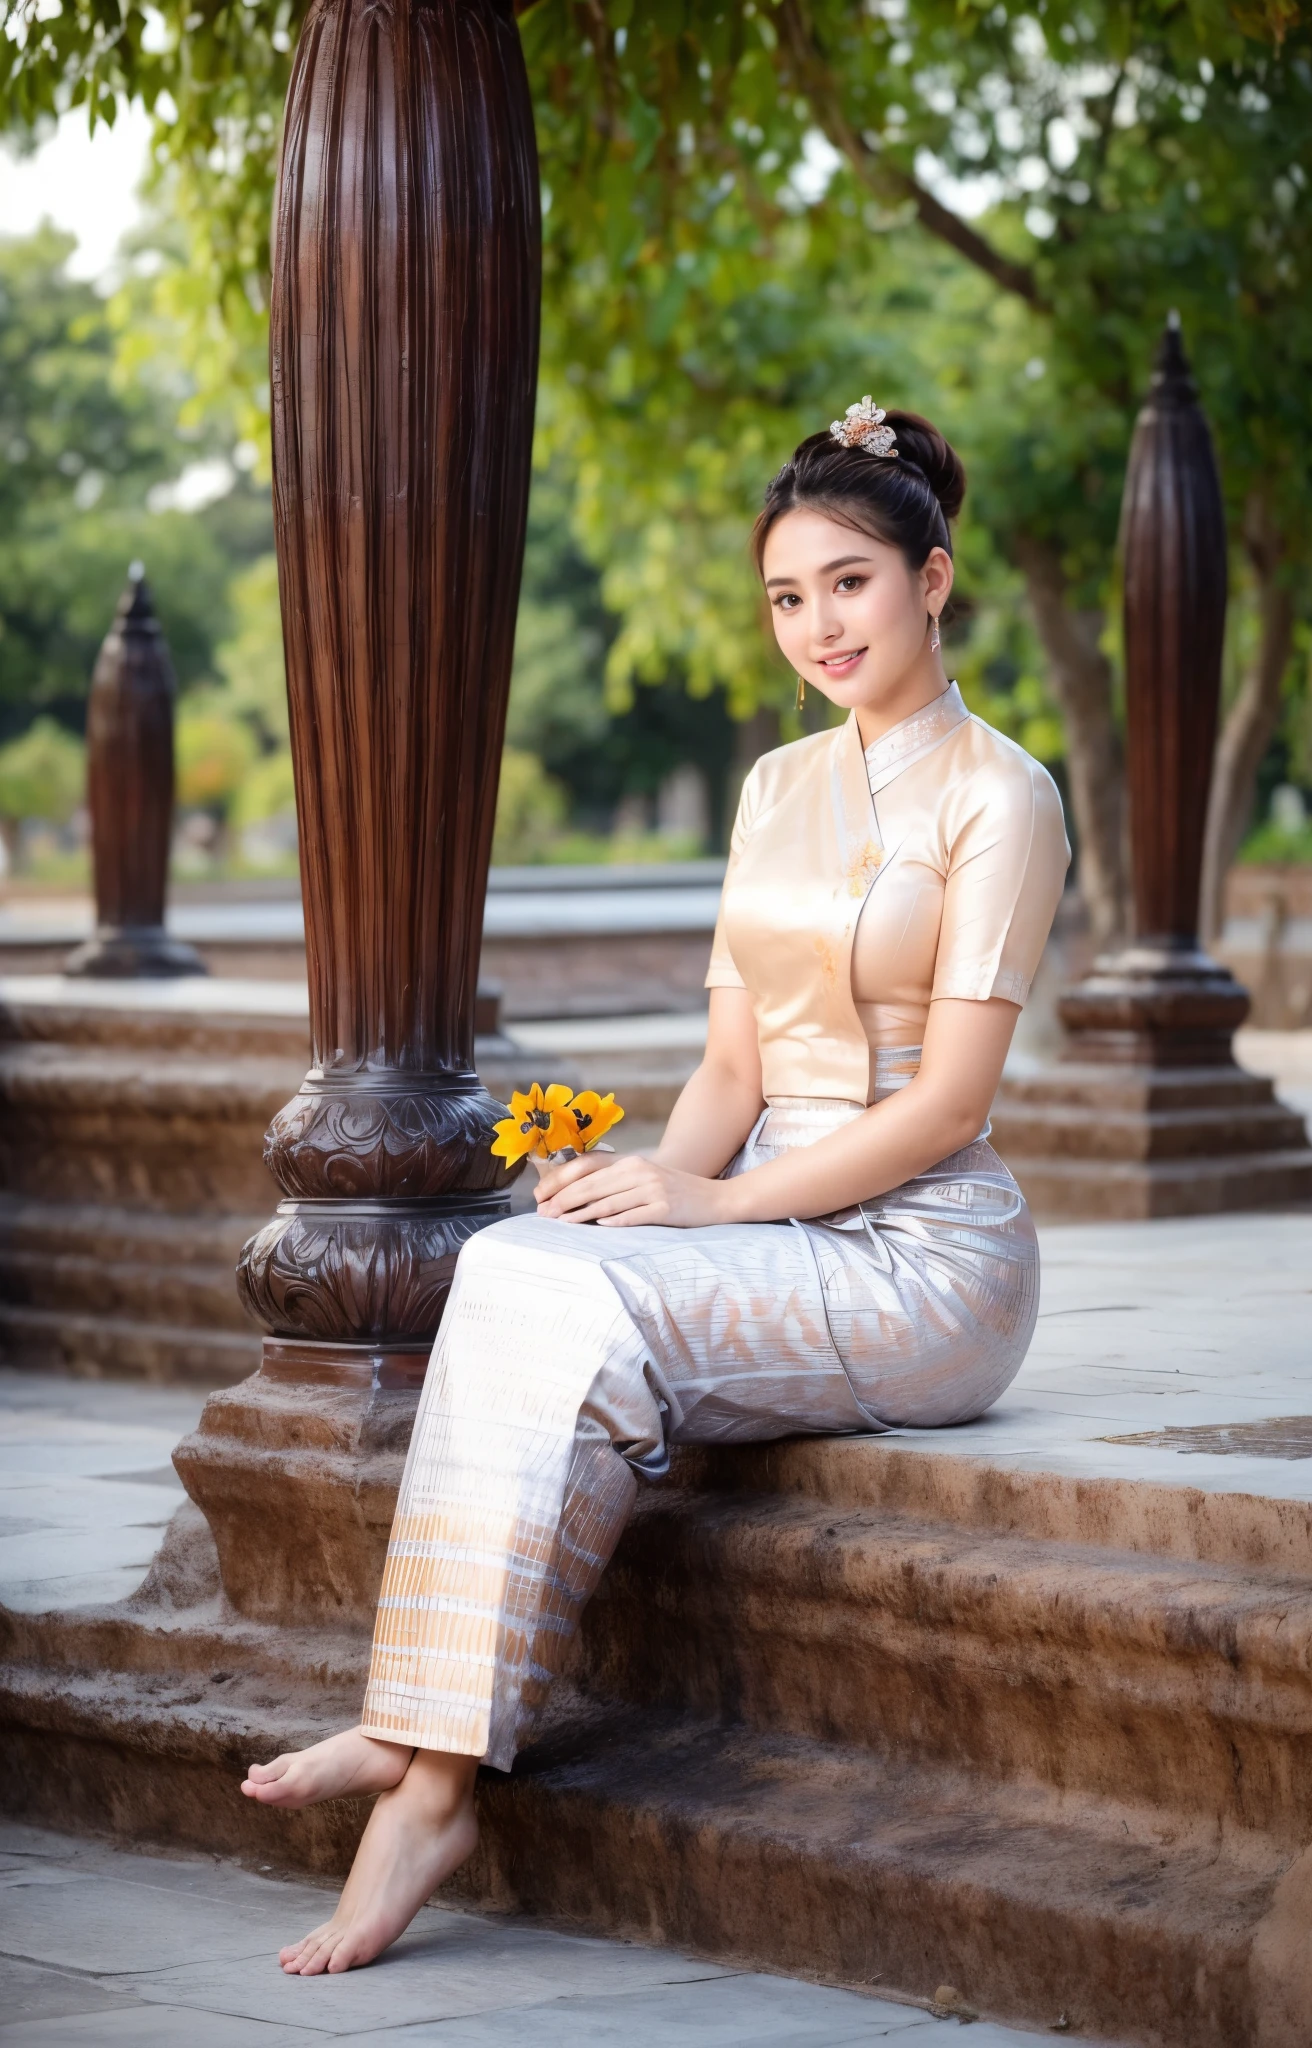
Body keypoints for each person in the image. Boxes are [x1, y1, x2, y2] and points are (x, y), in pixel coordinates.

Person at [239, 399, 1070, 1975]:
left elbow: (952, 1103)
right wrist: (641, 1185)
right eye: (785, 596)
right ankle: (428, 1768)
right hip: (765, 1213)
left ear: (935, 579)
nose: (816, 624)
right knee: (523, 1263)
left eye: (850, 584)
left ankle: (417, 1759)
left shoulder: (1002, 795)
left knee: (557, 1300)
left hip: (923, 1262)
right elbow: (731, 1080)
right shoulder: (772, 790)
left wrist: (708, 1213)